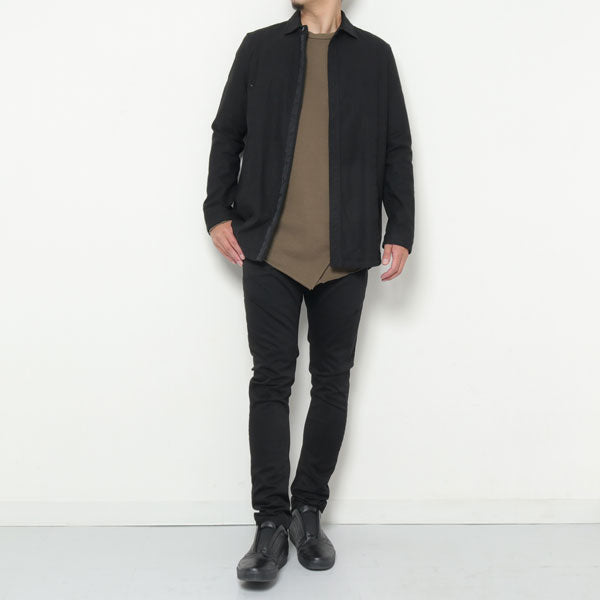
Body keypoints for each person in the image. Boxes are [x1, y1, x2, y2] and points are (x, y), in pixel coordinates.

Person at [203, 0, 414, 583]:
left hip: (345, 250)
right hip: (269, 247)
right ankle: (270, 523)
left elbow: (396, 146)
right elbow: (228, 131)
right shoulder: (260, 48)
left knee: (332, 382)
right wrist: (216, 210)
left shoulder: (374, 57)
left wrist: (400, 226)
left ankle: (308, 512)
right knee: (271, 381)